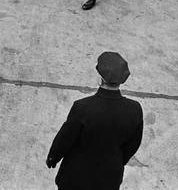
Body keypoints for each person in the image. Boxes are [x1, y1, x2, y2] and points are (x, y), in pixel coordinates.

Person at [46, 51, 143, 190]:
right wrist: (117, 160)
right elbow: (133, 144)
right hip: (109, 177)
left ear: (100, 78)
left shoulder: (82, 107)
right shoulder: (135, 109)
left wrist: (53, 158)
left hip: (76, 176)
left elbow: (65, 138)